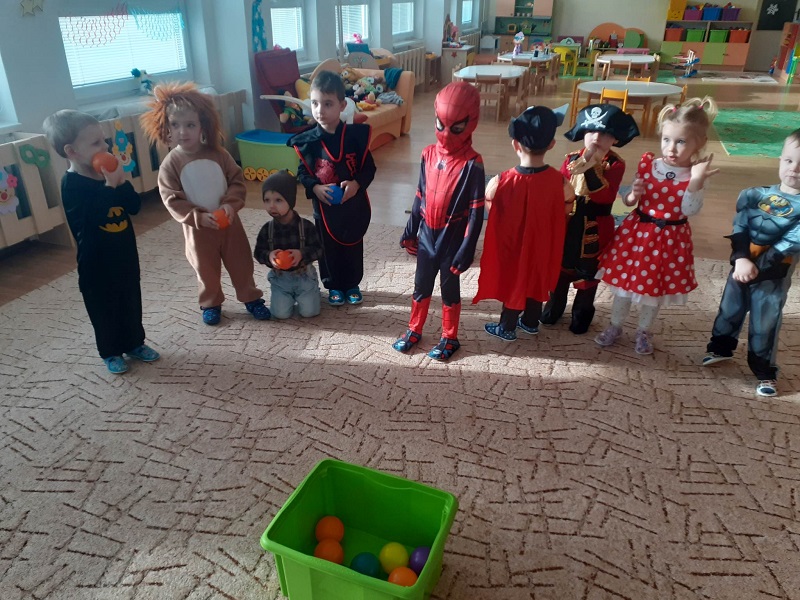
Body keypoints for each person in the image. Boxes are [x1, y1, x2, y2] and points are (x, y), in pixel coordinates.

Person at [594, 97, 718, 354]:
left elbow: (690, 210)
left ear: (699, 143)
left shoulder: (696, 174)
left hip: (669, 238)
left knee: (654, 290)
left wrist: (695, 182)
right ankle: (615, 325)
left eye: (681, 141)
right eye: (666, 139)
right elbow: (628, 202)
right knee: (624, 286)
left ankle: (644, 330)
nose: (671, 148)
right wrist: (633, 194)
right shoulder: (649, 165)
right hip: (637, 234)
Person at [139, 82, 270, 325]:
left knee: (241, 263)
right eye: (175, 125)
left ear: (202, 126)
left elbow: (236, 181)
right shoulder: (170, 164)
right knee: (205, 269)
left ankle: (250, 297)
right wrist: (196, 217)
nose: (182, 132)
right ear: (166, 128)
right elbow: (171, 199)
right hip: (198, 230)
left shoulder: (219, 154)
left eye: (190, 125)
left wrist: (231, 204)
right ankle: (211, 302)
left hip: (229, 223)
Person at [42, 110, 160, 374]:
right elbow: (90, 221)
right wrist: (109, 187)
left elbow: (134, 207)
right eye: (96, 143)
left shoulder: (110, 175)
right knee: (104, 309)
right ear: (72, 151)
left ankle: (135, 342)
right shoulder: (72, 184)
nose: (105, 147)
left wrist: (122, 183)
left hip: (125, 255)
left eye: (104, 140)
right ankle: (110, 351)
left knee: (130, 300)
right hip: (96, 264)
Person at [702, 129, 800, 397]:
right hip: (741, 265)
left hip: (772, 275)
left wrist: (757, 267)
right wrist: (741, 258)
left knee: (764, 321)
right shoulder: (754, 194)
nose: (794, 169)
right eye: (789, 160)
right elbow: (740, 226)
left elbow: (790, 242)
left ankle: (764, 371)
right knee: (730, 309)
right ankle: (720, 348)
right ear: (780, 159)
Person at [393, 82, 485, 361]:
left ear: (470, 123)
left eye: (456, 128)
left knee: (449, 289)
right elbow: (420, 194)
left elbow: (476, 211)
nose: (445, 135)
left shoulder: (473, 163)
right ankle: (414, 329)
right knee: (421, 286)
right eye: (440, 125)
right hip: (427, 236)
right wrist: (411, 229)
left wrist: (467, 248)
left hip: (452, 237)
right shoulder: (428, 154)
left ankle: (450, 337)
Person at [472, 105, 575, 341]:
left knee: (515, 280)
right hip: (542, 242)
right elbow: (568, 206)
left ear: (515, 144)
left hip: (513, 244)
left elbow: (491, 206)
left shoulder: (502, 180)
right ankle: (530, 322)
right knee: (536, 278)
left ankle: (506, 327)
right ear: (552, 144)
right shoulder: (560, 181)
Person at [540, 104, 640, 334]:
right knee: (561, 269)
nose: (597, 137)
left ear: (615, 138)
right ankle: (554, 307)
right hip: (568, 222)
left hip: (596, 225)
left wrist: (589, 165)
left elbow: (605, 196)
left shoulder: (615, 164)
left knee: (588, 273)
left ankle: (582, 314)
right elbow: (560, 188)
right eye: (591, 131)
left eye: (604, 133)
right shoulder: (570, 159)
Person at [288, 70, 376, 307]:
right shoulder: (309, 142)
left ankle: (352, 284)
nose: (320, 110)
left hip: (352, 205)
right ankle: (333, 285)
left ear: (342, 105)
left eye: (327, 104)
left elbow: (369, 168)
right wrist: (315, 188)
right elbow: (303, 173)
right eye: (315, 103)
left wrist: (356, 184)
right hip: (324, 208)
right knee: (327, 248)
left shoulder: (355, 138)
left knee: (352, 243)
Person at [253, 170, 323, 319]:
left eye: (278, 200)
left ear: (290, 201)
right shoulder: (267, 229)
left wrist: (301, 254)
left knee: (309, 312)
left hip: (304, 277)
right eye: (267, 200)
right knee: (280, 314)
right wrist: (269, 256)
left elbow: (319, 249)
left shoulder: (306, 226)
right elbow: (258, 253)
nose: (272, 206)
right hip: (280, 280)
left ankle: (313, 292)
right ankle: (287, 297)